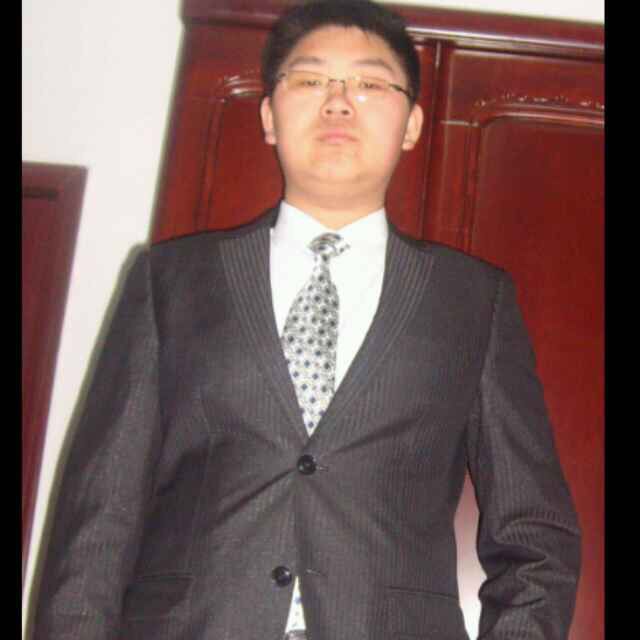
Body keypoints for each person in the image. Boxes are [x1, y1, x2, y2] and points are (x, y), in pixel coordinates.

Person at [30, 1, 581, 638]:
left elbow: (535, 534)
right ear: (270, 115)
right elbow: (96, 524)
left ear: (411, 124)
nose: (339, 102)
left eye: (370, 83)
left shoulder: (474, 301)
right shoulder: (170, 281)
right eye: (311, 79)